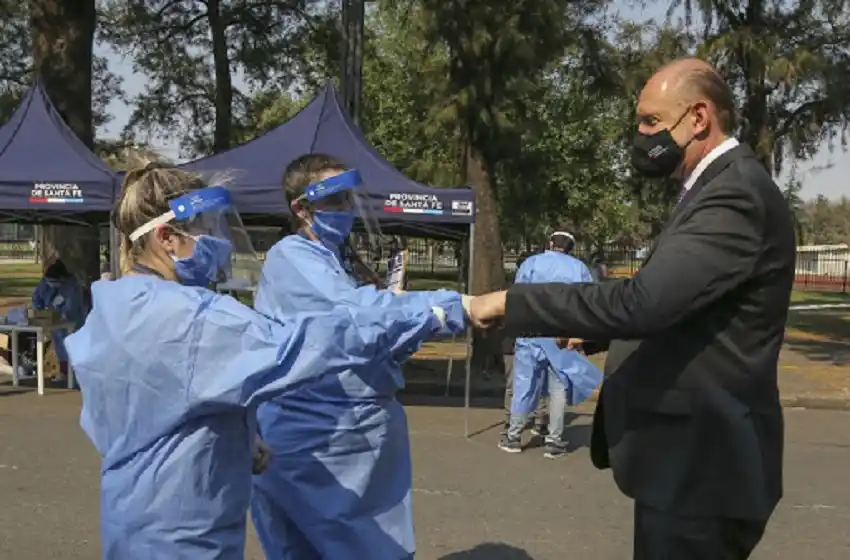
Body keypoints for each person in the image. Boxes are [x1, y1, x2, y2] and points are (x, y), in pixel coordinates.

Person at [467, 58, 795, 559]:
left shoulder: (734, 194)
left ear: (699, 118)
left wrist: (511, 302)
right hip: (688, 470)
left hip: (702, 473)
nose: (640, 136)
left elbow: (644, 302)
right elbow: (688, 308)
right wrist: (594, 335)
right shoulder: (713, 188)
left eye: (650, 122)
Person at [64, 163, 462, 560]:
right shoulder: (188, 316)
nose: (219, 240)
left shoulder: (115, 304)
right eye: (206, 228)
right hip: (186, 530)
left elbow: (135, 408)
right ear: (166, 237)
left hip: (132, 516)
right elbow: (302, 346)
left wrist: (240, 437)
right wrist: (439, 312)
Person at [250, 154, 467, 560]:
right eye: (334, 201)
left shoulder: (333, 259)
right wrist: (443, 310)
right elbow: (357, 320)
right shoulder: (292, 257)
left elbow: (373, 334)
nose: (346, 209)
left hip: (344, 437)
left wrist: (410, 324)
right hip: (319, 440)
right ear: (302, 208)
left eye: (349, 198)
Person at [499, 229, 602, 459]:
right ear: (570, 247)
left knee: (524, 385)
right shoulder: (579, 268)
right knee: (559, 388)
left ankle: (513, 436)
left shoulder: (531, 263)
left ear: (550, 242)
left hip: (531, 332)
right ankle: (554, 441)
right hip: (561, 335)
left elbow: (517, 295)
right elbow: (588, 301)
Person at [31, 258, 87, 382]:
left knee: (74, 347)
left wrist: (62, 313)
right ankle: (64, 372)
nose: (50, 283)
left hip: (73, 322)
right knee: (60, 346)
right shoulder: (45, 283)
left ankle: (77, 375)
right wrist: (41, 313)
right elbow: (37, 299)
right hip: (54, 323)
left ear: (61, 279)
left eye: (53, 281)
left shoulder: (72, 285)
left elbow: (72, 309)